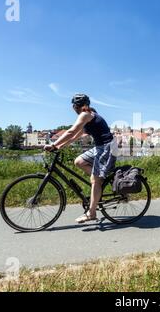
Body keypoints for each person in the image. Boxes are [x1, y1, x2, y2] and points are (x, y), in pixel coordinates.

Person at [44, 94, 117, 223]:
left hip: (107, 147)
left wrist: (54, 145)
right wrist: (59, 147)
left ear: (76, 106)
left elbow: (70, 132)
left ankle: (92, 213)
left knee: (95, 180)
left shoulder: (85, 115)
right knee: (79, 161)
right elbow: (74, 137)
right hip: (100, 146)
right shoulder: (87, 116)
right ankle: (100, 180)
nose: (76, 108)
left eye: (76, 106)